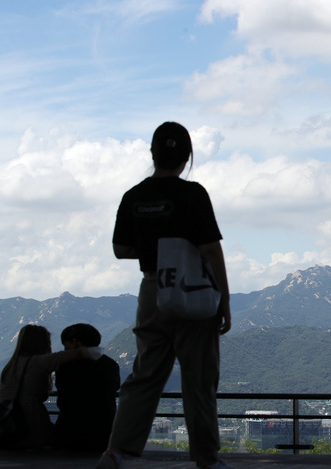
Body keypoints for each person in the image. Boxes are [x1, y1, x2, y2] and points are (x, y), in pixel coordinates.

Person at [99, 122, 231, 469]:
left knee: (145, 375)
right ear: (187, 157)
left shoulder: (134, 196)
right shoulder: (194, 195)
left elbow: (120, 249)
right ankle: (205, 458)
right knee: (199, 378)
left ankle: (118, 451)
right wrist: (225, 301)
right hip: (194, 289)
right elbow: (211, 250)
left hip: (153, 288)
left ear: (152, 154)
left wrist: (155, 247)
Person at [0, 324, 101, 450]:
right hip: (30, 428)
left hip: (6, 428)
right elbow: (83, 353)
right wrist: (99, 350)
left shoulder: (11, 365)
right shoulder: (38, 362)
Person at [54, 323, 120, 451]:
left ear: (75, 342)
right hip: (106, 433)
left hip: (70, 432)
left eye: (66, 345)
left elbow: (64, 395)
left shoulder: (66, 366)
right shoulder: (111, 364)